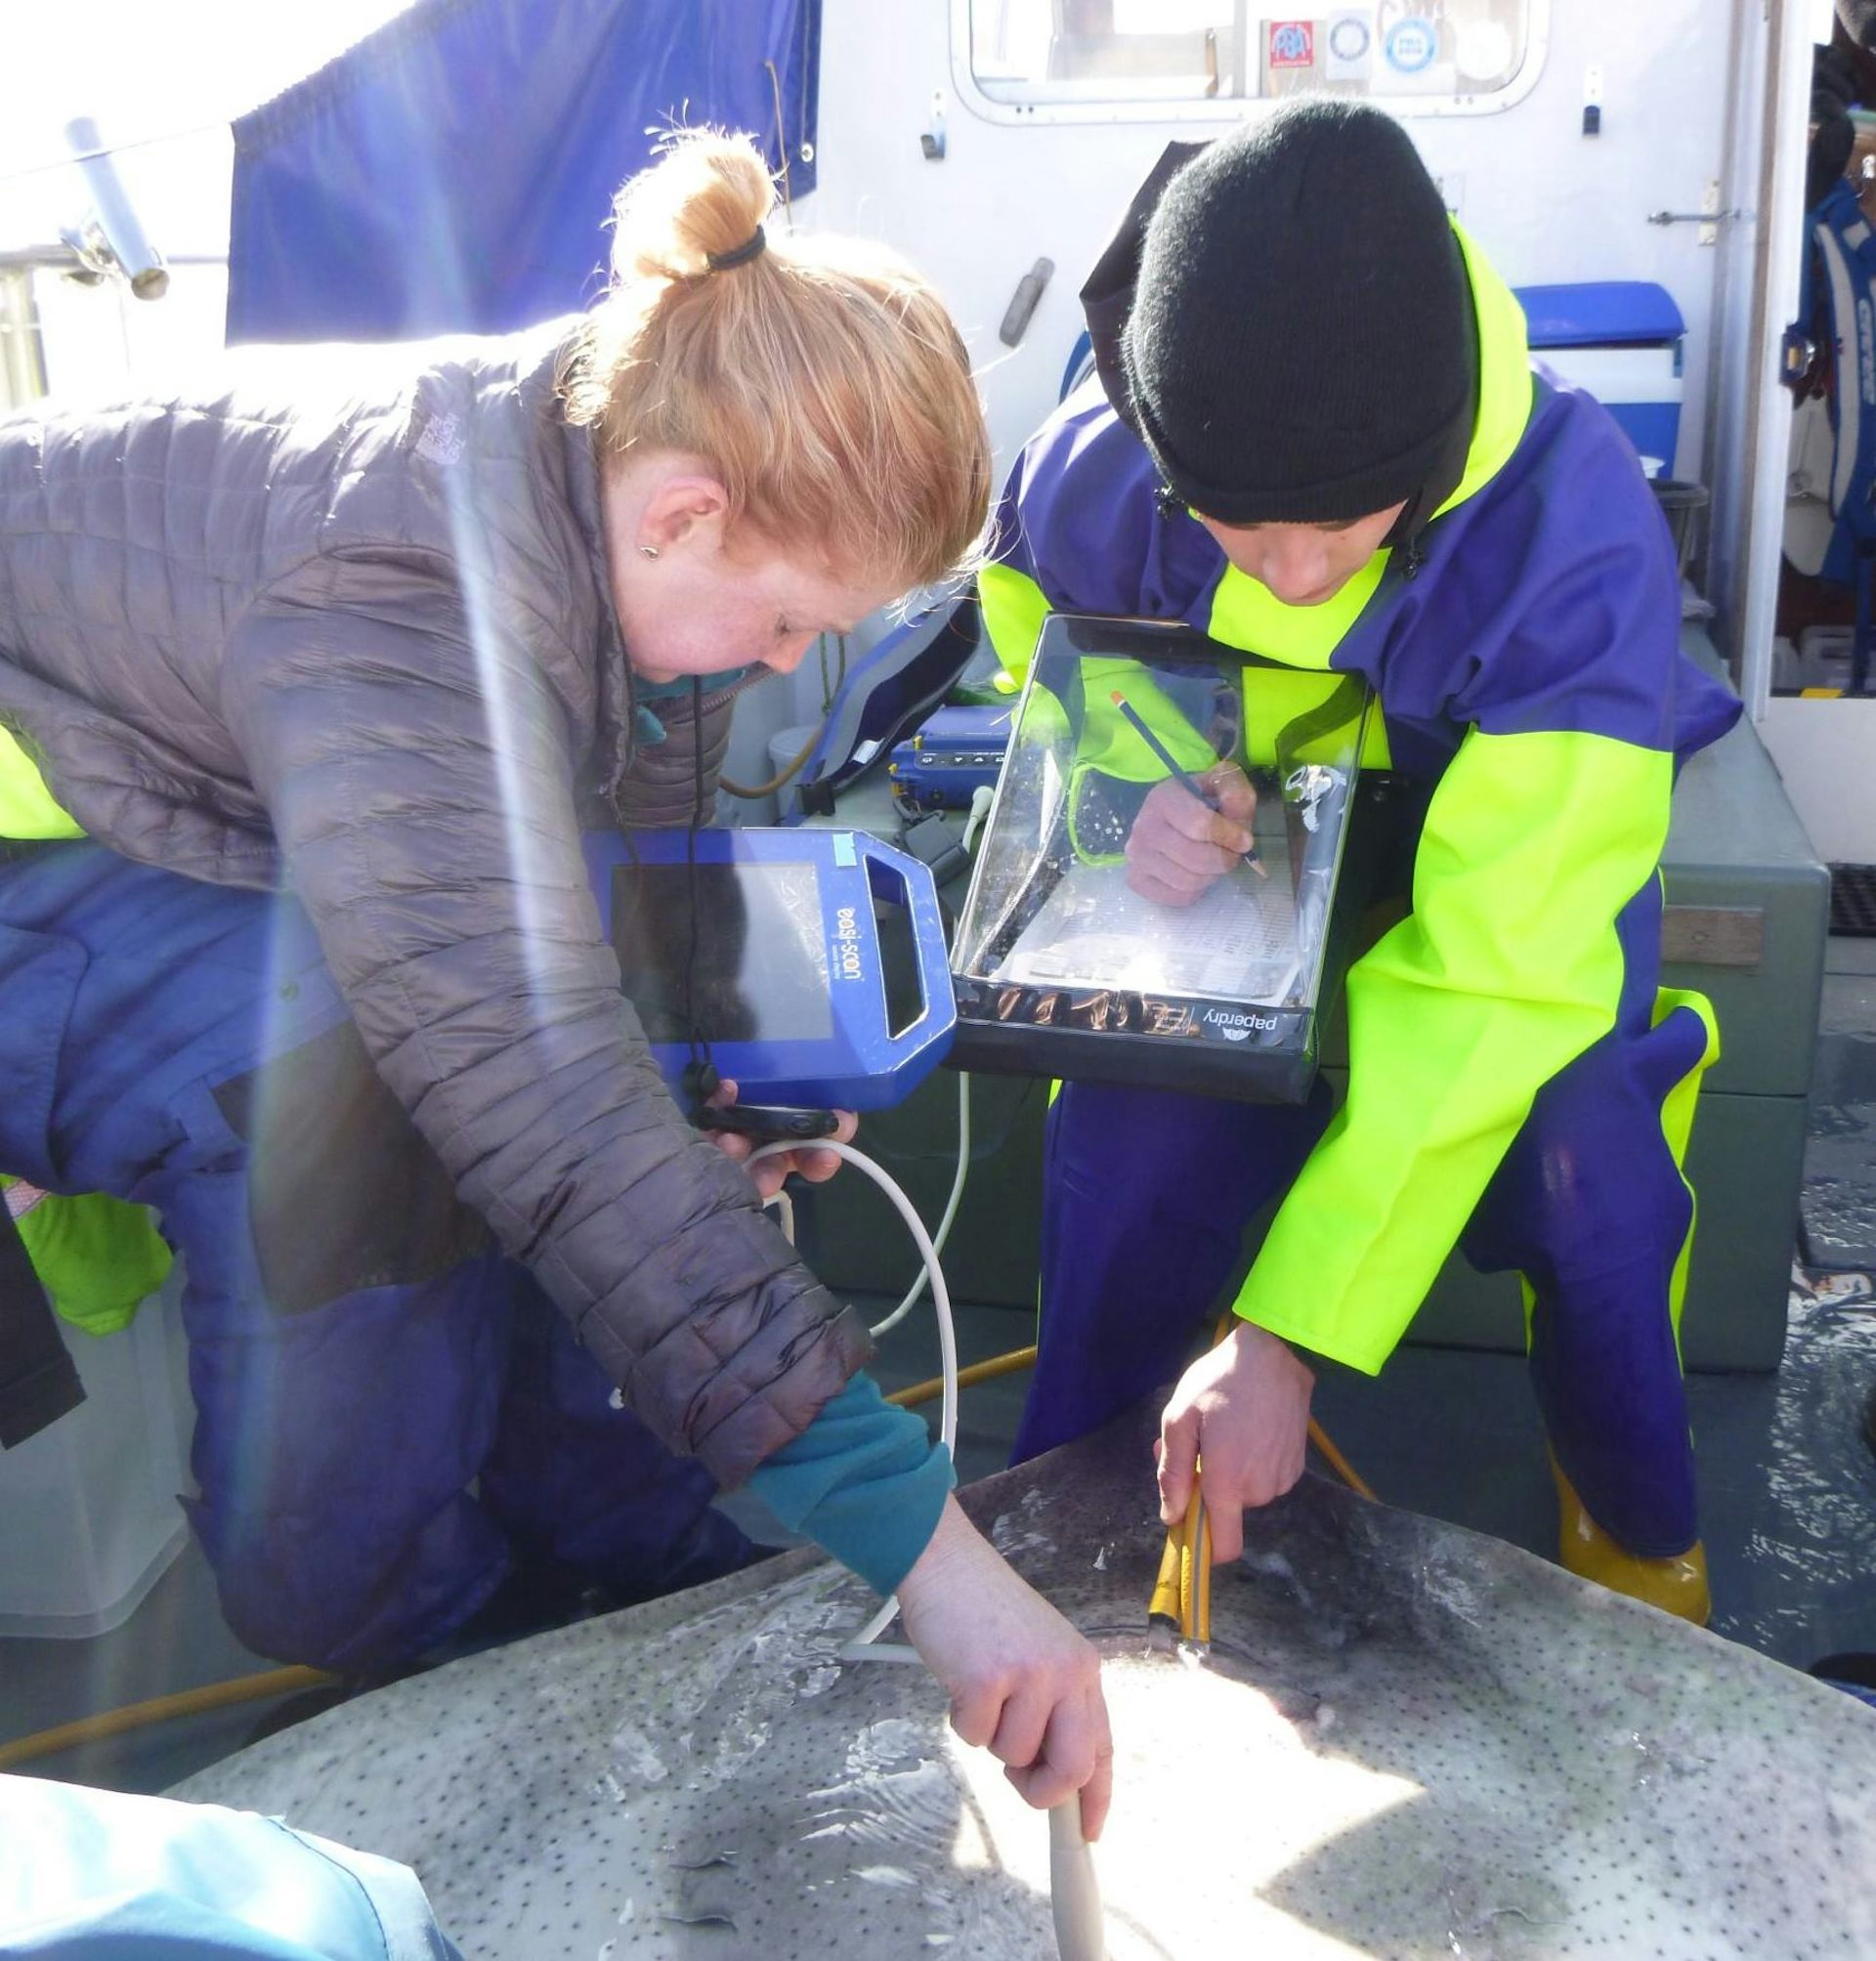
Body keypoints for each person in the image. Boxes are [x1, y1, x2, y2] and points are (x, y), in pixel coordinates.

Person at [0, 130, 1110, 1835]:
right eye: (790, 624)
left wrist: (707, 1105)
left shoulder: (589, 460)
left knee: (552, 1064)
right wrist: (931, 1548)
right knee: (350, 1064)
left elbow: (603, 927)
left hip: (175, 804)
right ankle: (400, 1625)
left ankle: (621, 1523)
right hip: (41, 865)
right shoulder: (409, 593)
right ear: (686, 513)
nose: (791, 665)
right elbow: (525, 1072)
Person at [979, 100, 1742, 1624]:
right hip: (1253, 879)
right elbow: (1030, 636)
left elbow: (1497, 974)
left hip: (1507, 928)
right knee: (1124, 1155)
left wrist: (1286, 1336)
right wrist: (1128, 796)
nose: (1297, 573)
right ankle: (1063, 1521)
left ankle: (1639, 1521)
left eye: (1339, 529)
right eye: (1236, 531)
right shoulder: (1104, 465)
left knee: (1589, 1188)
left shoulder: (1575, 543)